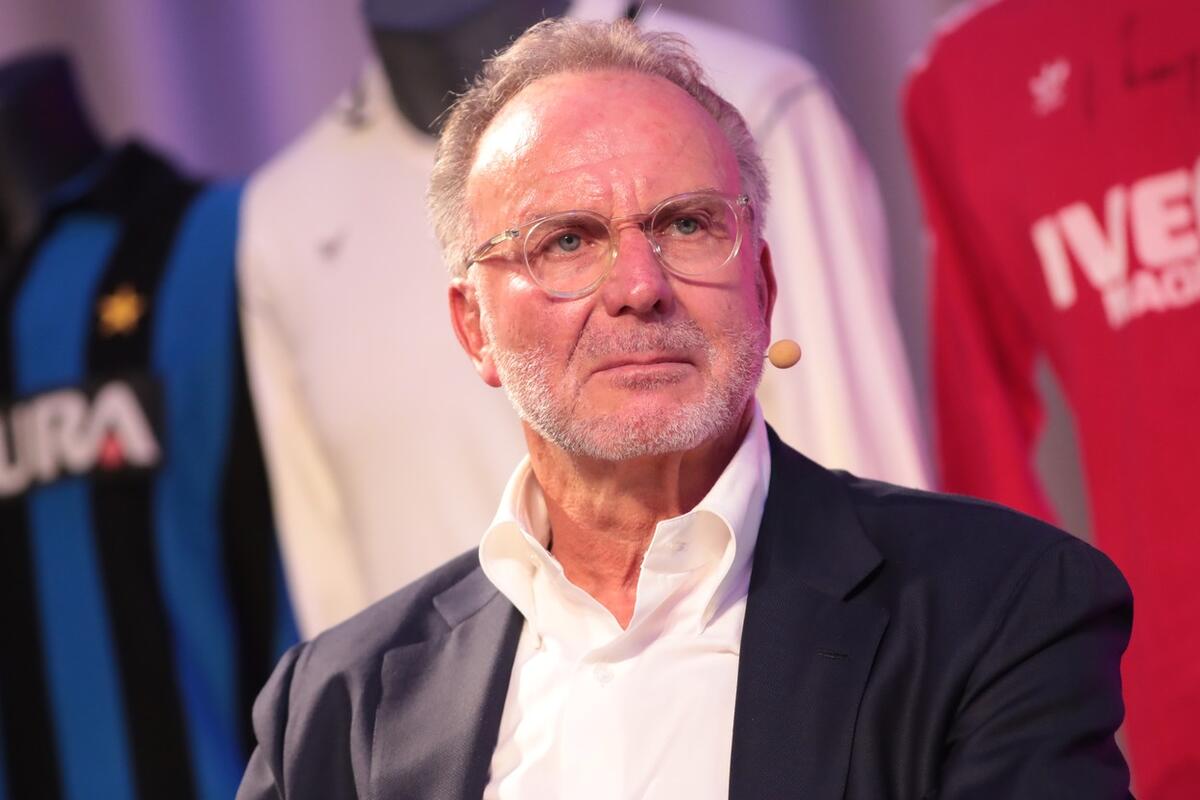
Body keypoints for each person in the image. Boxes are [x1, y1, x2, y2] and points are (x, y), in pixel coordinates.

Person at [237, 19, 1131, 799]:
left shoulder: (998, 607)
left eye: (687, 225)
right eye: (567, 240)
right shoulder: (335, 708)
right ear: (476, 329)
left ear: (764, 288)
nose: (639, 286)